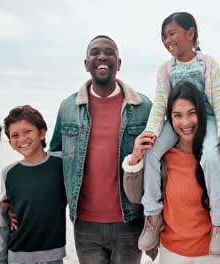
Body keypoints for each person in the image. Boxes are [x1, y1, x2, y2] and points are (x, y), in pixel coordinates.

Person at [49, 35, 152, 264]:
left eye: (109, 52)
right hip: (85, 224)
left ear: (119, 62)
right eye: (95, 52)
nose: (102, 56)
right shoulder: (68, 107)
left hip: (130, 221)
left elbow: (160, 161)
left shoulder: (143, 107)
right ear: (86, 64)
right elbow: (55, 159)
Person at [123, 82, 220, 263]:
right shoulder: (161, 156)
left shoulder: (215, 153)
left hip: (213, 254)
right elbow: (135, 197)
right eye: (177, 115)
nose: (185, 122)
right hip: (171, 251)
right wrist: (135, 158)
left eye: (191, 113)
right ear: (169, 119)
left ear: (201, 114)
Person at [141, 11, 220, 255]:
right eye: (163, 36)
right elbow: (160, 104)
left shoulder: (208, 64)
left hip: (207, 119)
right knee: (150, 153)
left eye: (172, 33)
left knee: (211, 158)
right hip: (177, 120)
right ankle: (152, 215)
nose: (167, 40)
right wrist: (151, 132)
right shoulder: (165, 69)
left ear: (190, 33)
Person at [0, 105, 67, 264]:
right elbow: (3, 219)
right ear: (10, 142)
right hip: (17, 255)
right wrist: (1, 258)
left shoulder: (61, 163)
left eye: (27, 131)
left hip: (53, 256)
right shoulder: (9, 173)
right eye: (15, 135)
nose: (22, 139)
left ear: (42, 133)